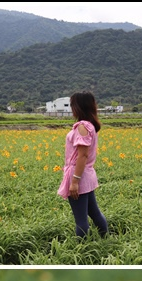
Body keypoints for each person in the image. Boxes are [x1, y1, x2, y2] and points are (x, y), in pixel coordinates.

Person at [57, 91, 109, 237]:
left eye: (72, 105)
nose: (71, 109)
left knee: (81, 219)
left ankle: (81, 252)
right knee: (94, 212)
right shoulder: (90, 125)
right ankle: (105, 240)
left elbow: (83, 155)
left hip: (79, 174)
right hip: (87, 174)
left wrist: (74, 181)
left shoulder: (82, 127)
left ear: (79, 106)